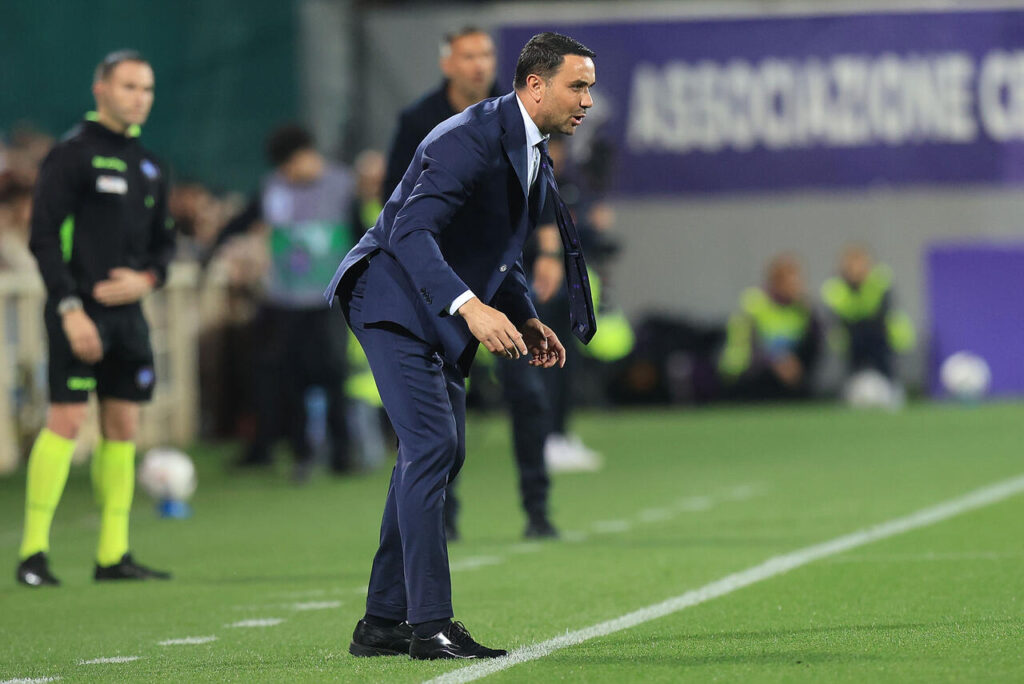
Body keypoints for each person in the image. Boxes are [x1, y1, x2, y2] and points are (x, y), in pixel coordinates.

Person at [326, 32, 597, 660]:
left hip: (428, 303)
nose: (587, 100)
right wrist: (469, 306)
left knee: (437, 453)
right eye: (577, 86)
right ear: (536, 86)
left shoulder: (529, 145)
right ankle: (431, 626)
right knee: (433, 446)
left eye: (589, 87)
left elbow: (499, 251)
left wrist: (524, 316)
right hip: (390, 296)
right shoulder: (470, 138)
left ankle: (382, 621)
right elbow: (410, 231)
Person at [384, 26, 563, 540]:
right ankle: (442, 518)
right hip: (438, 283)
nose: (479, 64)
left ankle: (538, 511)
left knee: (528, 394)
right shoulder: (419, 120)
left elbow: (538, 184)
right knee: (438, 409)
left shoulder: (515, 114)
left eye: (485, 54)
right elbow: (398, 205)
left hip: (499, 279)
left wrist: (548, 247)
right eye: (467, 56)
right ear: (448, 64)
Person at [17, 50, 174, 586]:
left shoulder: (152, 166)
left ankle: (113, 554)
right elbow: (42, 238)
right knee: (66, 420)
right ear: (100, 89)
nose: (140, 98)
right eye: (129, 86)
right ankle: (33, 554)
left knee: (123, 424)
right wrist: (69, 308)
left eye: (147, 89)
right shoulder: (70, 156)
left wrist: (146, 280)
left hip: (129, 318)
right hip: (77, 312)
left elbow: (165, 247)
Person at [212, 125, 357, 480]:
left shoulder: (342, 186)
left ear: (308, 154)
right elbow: (241, 222)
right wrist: (213, 250)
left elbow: (363, 232)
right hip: (285, 301)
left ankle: (343, 454)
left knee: (333, 374)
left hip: (328, 299)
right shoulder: (273, 187)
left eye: (291, 165)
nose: (288, 173)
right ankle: (301, 453)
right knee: (291, 378)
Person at [718, 253, 821, 400]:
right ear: (777, 283)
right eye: (792, 283)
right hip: (746, 372)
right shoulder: (754, 302)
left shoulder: (801, 309)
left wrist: (810, 311)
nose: (798, 287)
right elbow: (748, 346)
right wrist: (776, 361)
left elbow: (816, 340)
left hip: (784, 372)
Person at [821, 245, 915, 381]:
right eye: (851, 266)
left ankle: (889, 381)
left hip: (881, 342)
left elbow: (885, 315)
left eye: (859, 265)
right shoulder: (836, 289)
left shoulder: (880, 283)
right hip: (853, 345)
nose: (856, 270)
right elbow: (836, 321)